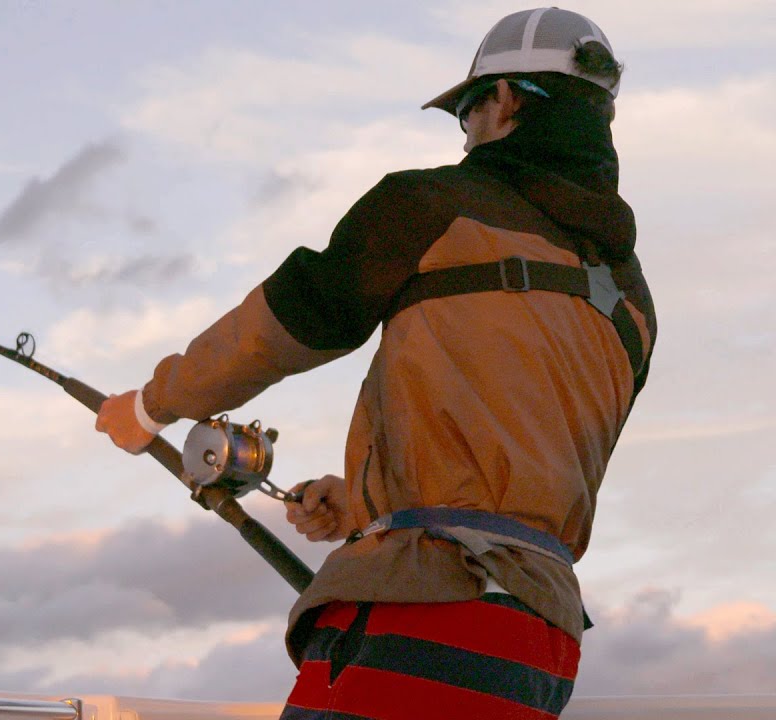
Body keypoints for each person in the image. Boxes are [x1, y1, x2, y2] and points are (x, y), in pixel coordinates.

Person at [96, 7, 655, 719]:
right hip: (541, 641)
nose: (465, 134)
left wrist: (148, 408)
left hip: (426, 608)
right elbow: (526, 455)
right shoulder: (632, 299)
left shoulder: (431, 205)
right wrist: (363, 499)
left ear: (507, 100)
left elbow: (285, 325)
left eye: (467, 114)